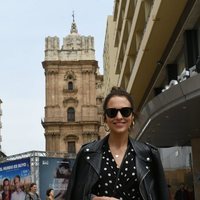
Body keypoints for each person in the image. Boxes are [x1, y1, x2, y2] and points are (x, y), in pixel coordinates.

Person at [66, 86, 169, 200]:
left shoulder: (149, 154)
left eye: (125, 111)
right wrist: (93, 199)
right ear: (105, 118)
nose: (119, 117)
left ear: (132, 117)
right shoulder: (87, 154)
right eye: (112, 112)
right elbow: (74, 195)